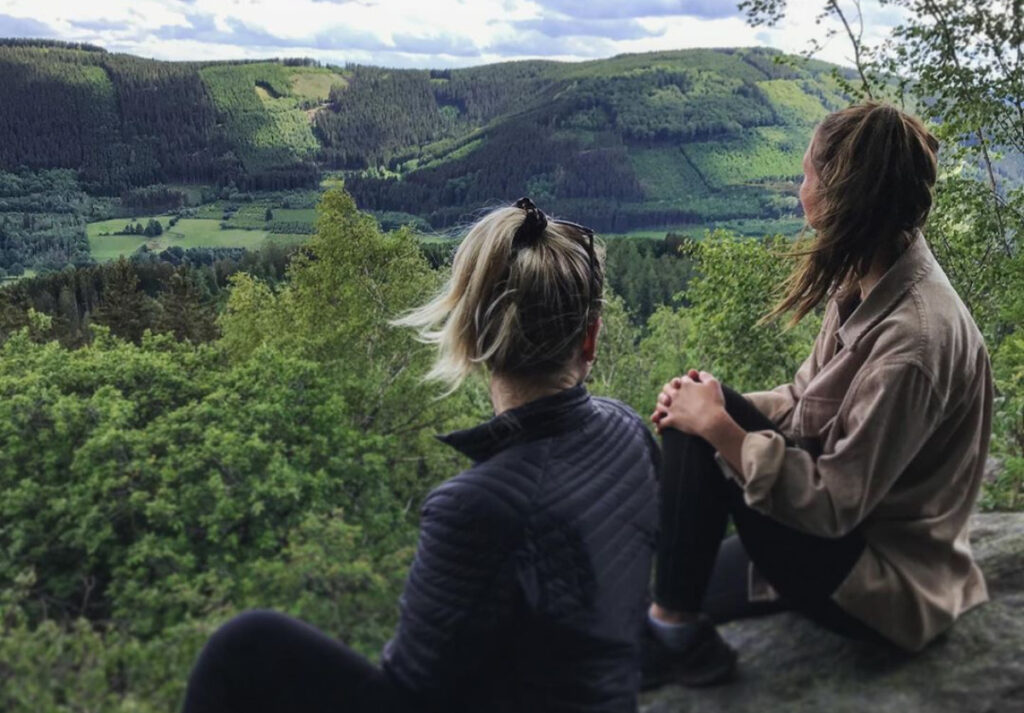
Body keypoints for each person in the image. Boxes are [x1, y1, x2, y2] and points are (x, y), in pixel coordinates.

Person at [181, 198, 660, 713]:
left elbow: (413, 696)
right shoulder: (629, 430)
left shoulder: (475, 508)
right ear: (589, 339)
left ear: (473, 336)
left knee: (244, 646)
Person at [644, 102, 992, 689]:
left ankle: (672, 635)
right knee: (700, 402)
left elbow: (834, 506)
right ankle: (673, 624)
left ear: (841, 195)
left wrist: (722, 431)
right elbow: (806, 397)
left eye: (806, 174)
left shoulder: (913, 342)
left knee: (705, 424)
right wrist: (706, 407)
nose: (798, 186)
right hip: (847, 541)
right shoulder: (873, 273)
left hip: (880, 582)